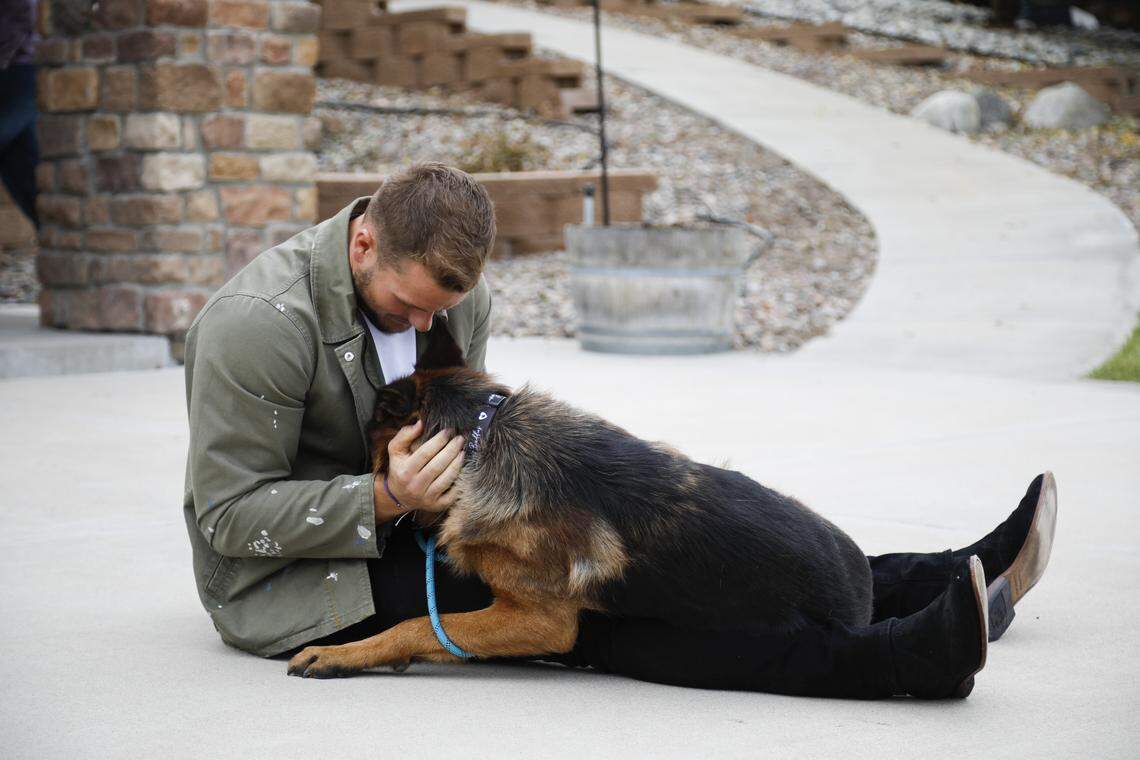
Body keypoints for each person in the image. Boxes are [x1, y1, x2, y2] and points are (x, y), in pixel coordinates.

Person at [183, 163, 1056, 700]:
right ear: (364, 240)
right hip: (301, 573)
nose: (425, 324)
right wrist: (384, 495)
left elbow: (480, 432)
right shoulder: (257, 325)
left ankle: (947, 579)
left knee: (654, 553)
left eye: (440, 311)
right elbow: (227, 519)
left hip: (425, 516)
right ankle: (896, 659)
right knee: (585, 618)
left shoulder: (453, 291)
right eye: (409, 306)